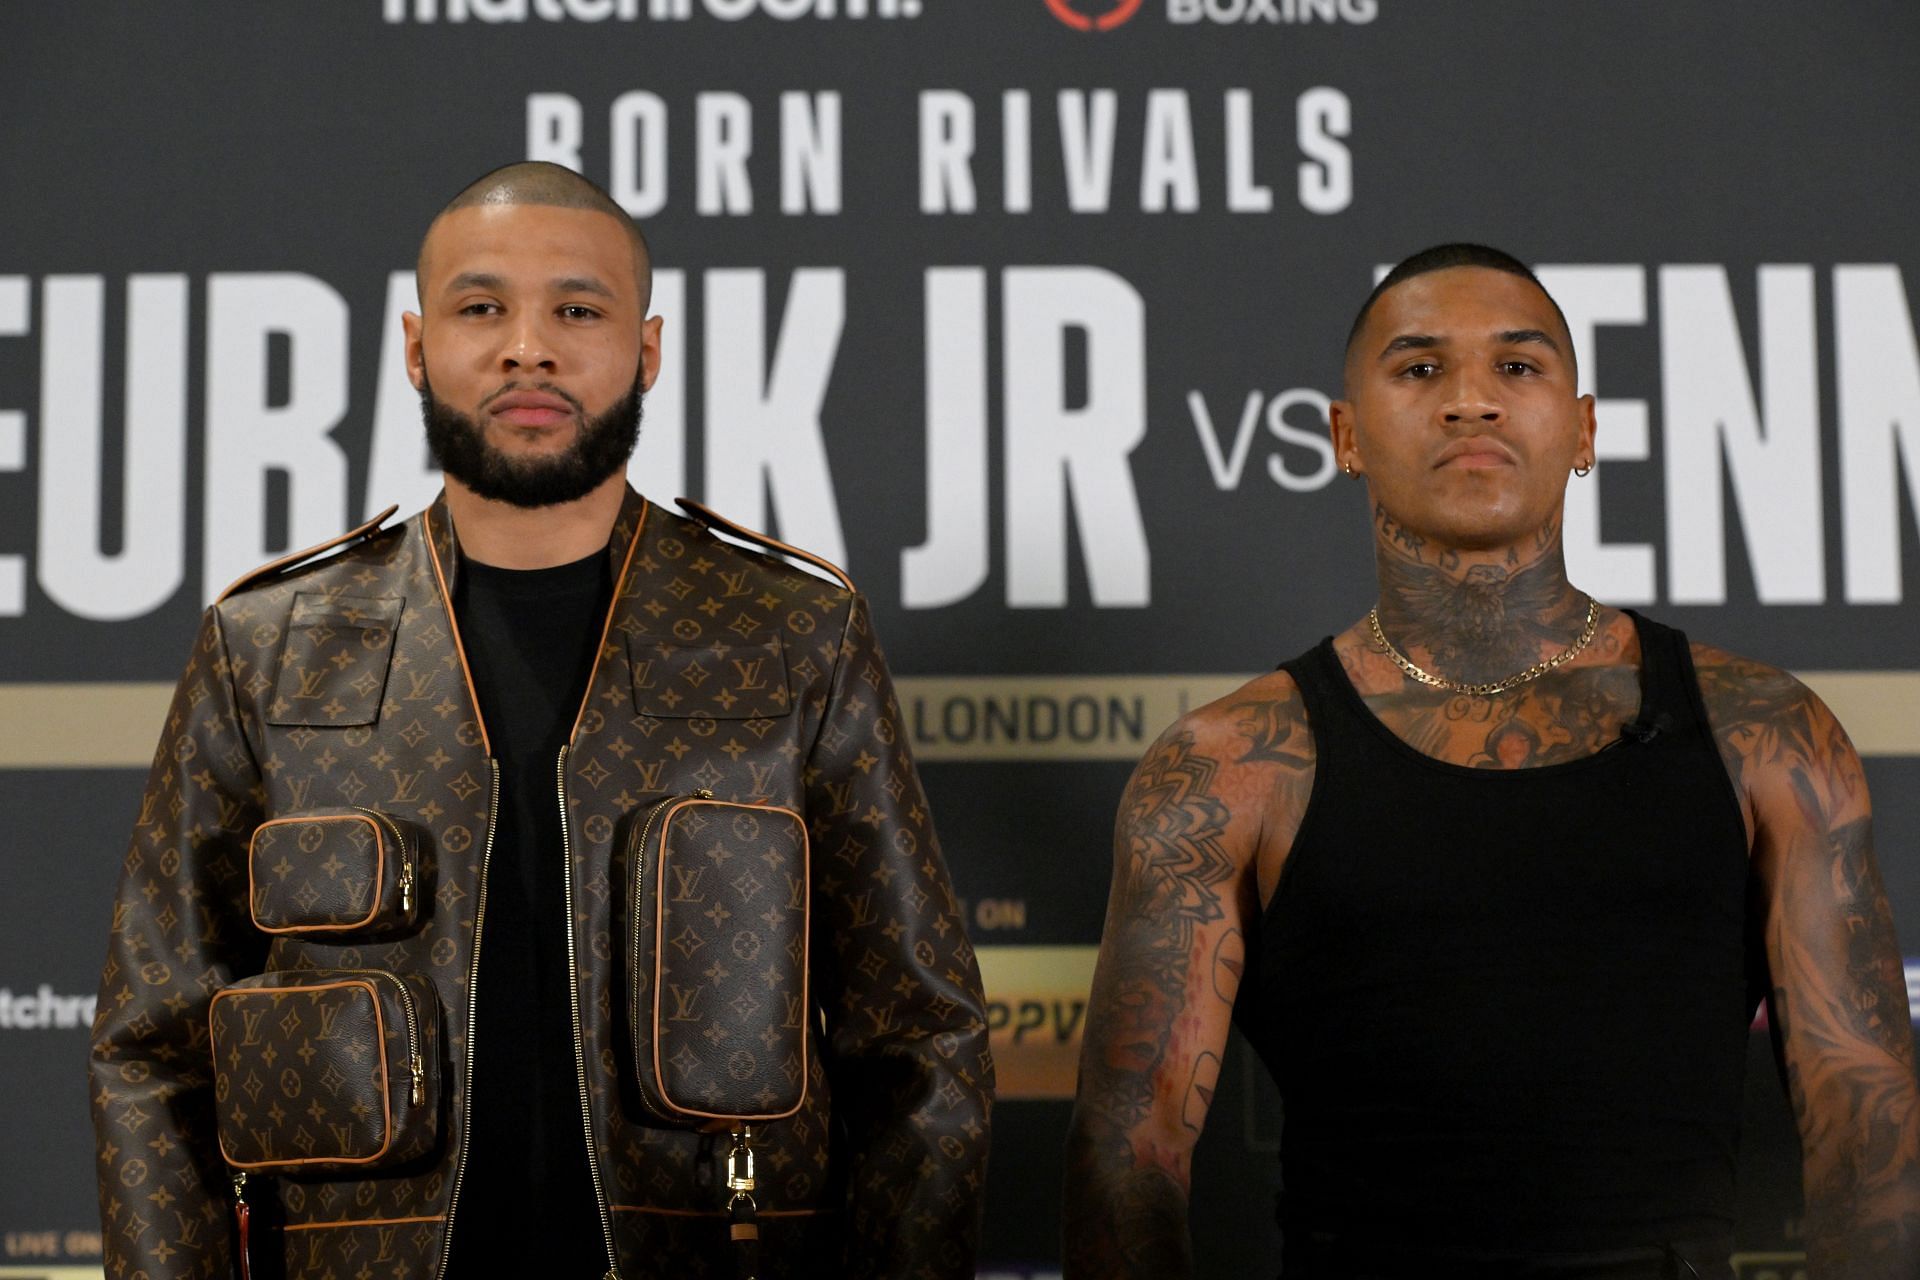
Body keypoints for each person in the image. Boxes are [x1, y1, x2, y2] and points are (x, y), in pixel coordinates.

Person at [89, 161, 993, 1280]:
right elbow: (153, 1047)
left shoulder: (793, 631)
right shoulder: (269, 645)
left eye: (577, 308)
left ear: (647, 349)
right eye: (483, 309)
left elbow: (919, 1035)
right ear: (417, 347)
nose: (530, 346)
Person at [1063, 244, 1920, 1279]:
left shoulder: (1766, 733)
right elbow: (1127, 1157)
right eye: (1420, 368)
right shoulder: (1227, 766)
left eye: (1518, 367)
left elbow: (1867, 1133)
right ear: (1344, 435)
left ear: (1585, 429)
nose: (1471, 400)